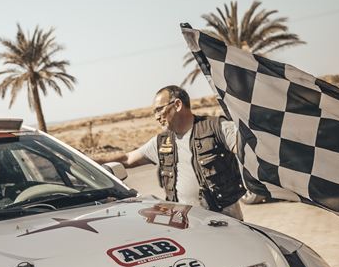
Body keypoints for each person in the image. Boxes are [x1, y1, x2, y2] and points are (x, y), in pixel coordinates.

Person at [102, 85, 246, 219]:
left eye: (159, 109)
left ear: (177, 105)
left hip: (225, 220)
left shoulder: (215, 128)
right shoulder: (162, 141)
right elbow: (127, 159)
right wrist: (89, 160)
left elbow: (248, 150)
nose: (156, 117)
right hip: (184, 222)